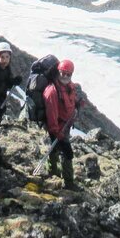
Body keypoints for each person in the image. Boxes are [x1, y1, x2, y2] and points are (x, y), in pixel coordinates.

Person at [44, 58, 85, 190]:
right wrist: (56, 131)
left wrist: (77, 104)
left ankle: (52, 170)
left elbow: (70, 102)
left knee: (54, 148)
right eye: (63, 73)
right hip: (57, 127)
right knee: (67, 153)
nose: (65, 76)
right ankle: (69, 183)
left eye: (68, 74)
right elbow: (51, 114)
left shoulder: (69, 86)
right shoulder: (52, 91)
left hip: (65, 126)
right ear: (58, 71)